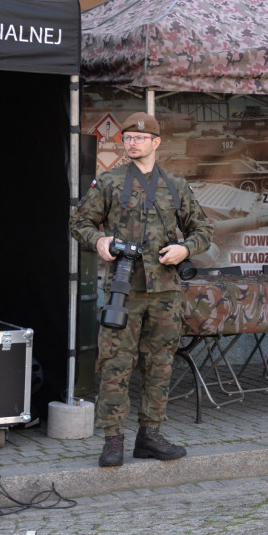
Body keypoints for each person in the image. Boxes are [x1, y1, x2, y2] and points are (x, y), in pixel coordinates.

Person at [70, 112, 212, 467]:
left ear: (155, 142)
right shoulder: (111, 182)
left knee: (160, 365)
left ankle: (150, 436)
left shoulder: (176, 185)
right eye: (127, 138)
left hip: (166, 292)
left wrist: (186, 249)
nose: (131, 143)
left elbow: (203, 230)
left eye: (138, 138)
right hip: (124, 289)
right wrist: (99, 240)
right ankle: (113, 439)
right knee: (116, 363)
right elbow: (79, 222)